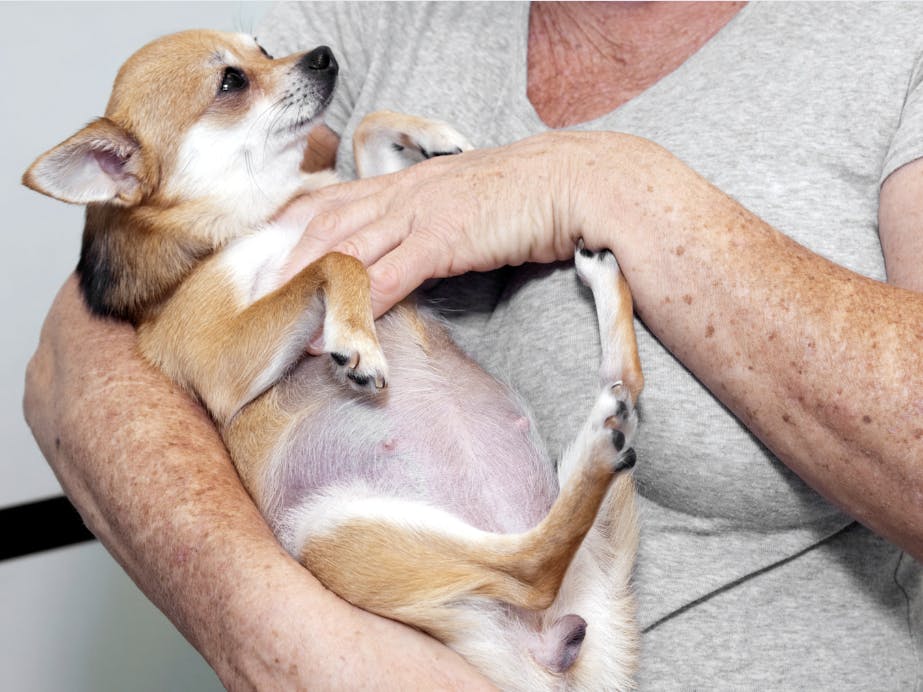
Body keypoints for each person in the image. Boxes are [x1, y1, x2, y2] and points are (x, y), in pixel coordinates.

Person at [23, 2, 923, 688]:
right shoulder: (385, 13)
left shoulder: (886, 38)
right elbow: (88, 342)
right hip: (435, 618)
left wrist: (603, 182)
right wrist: (292, 644)